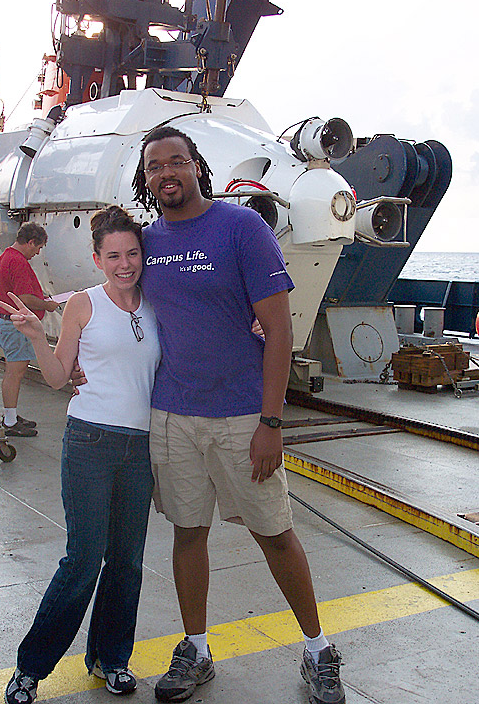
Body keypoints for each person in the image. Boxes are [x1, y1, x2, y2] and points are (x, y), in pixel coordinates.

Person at [131, 126, 346, 704]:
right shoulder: (146, 243)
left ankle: (318, 648)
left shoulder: (242, 227)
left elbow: (280, 330)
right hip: (173, 415)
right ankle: (196, 649)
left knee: (275, 534)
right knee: (187, 532)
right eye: (155, 167)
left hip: (242, 416)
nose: (166, 173)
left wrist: (271, 422)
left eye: (177, 162)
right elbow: (118, 308)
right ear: (146, 179)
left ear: (197, 168)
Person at [0, 206, 161, 703]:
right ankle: (31, 668)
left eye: (132, 253)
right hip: (89, 441)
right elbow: (55, 375)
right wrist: (33, 338)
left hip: (140, 448)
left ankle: (110, 659)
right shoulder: (83, 306)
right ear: (97, 259)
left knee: (127, 562)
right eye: (113, 255)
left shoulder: (158, 303)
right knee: (84, 559)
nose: (124, 263)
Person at [0, 222, 59, 437]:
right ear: (30, 242)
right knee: (15, 372)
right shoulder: (18, 261)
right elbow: (25, 298)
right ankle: (10, 422)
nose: (37, 253)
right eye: (37, 247)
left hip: (8, 321)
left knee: (15, 371)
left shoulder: (6, 256)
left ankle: (11, 415)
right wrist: (47, 305)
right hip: (16, 324)